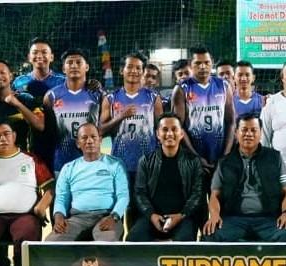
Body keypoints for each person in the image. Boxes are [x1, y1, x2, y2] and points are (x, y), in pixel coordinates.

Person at [203, 113, 286, 242]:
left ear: (261, 133)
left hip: (269, 219)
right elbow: (215, 195)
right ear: (236, 133)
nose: (249, 134)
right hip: (233, 219)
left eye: (253, 130)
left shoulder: (275, 158)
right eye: (244, 130)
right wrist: (214, 215)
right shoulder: (224, 162)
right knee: (211, 234)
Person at [100, 52, 163, 228]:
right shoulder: (111, 98)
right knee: (121, 207)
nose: (134, 71)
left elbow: (161, 131)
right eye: (130, 67)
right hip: (120, 164)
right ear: (122, 70)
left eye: (138, 68)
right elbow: (100, 130)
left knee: (144, 208)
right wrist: (120, 116)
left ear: (143, 72)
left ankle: (138, 241)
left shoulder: (153, 97)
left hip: (147, 164)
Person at [0, 121, 53, 266]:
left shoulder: (30, 159)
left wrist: (41, 207)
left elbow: (50, 188)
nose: (2, 138)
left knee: (27, 234)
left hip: (24, 215)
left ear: (14, 136)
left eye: (6, 134)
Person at [46, 123, 128, 242]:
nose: (89, 141)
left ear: (100, 140)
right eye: (84, 138)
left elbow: (123, 196)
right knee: (51, 243)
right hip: (77, 218)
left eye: (93, 137)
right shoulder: (68, 168)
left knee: (107, 243)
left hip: (106, 216)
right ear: (78, 143)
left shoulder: (116, 165)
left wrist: (114, 217)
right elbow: (61, 198)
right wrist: (58, 216)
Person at [127, 113, 204, 241]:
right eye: (165, 129)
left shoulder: (193, 161)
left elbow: (197, 194)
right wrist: (152, 215)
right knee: (133, 239)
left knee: (183, 243)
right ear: (158, 134)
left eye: (174, 129)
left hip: (182, 218)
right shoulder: (145, 161)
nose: (169, 134)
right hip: (152, 218)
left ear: (181, 134)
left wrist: (181, 215)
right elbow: (140, 193)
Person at [173, 46, 235, 173]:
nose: (203, 67)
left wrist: (226, 155)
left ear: (212, 63)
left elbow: (231, 122)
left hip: (220, 157)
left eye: (206, 62)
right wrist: (195, 157)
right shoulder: (181, 89)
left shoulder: (223, 86)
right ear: (191, 65)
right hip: (192, 159)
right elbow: (178, 127)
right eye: (198, 63)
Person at [43, 49, 102, 176]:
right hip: (62, 163)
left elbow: (105, 125)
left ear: (87, 67)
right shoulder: (51, 96)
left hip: (91, 162)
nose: (74, 66)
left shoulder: (98, 95)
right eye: (69, 62)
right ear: (63, 69)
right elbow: (47, 130)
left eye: (78, 62)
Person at [12, 38, 65, 170]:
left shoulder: (63, 81)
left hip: (57, 139)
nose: (39, 56)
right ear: (29, 57)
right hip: (28, 139)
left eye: (44, 52)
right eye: (35, 52)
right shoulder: (18, 82)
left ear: (51, 57)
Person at [0, 59, 45, 150]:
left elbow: (40, 125)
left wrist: (18, 104)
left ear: (11, 76)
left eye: (2, 72)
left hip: (20, 155)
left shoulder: (25, 99)